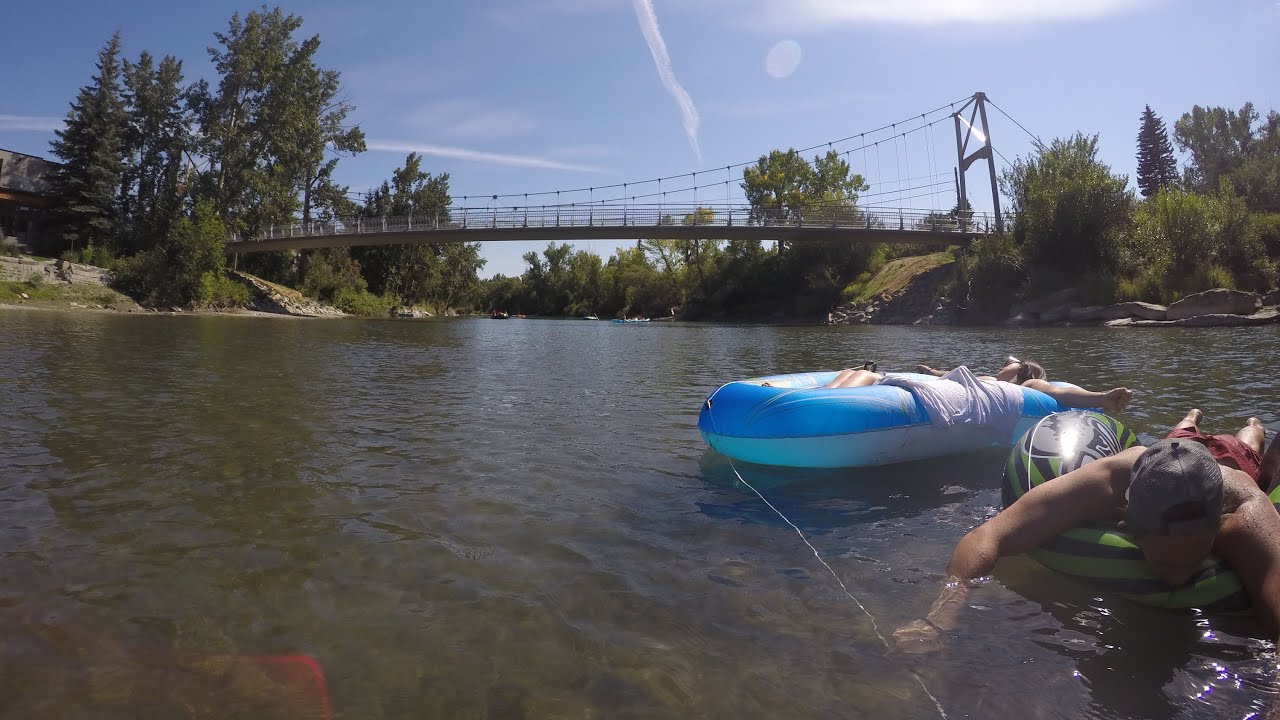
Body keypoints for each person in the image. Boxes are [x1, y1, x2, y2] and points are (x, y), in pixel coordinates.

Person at [893, 410, 1280, 657]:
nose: (1178, 580)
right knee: (1178, 437)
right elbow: (990, 535)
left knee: (1242, 448)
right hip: (1168, 459)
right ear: (1125, 521)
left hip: (1227, 471)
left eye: (1194, 561)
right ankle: (1190, 420)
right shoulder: (1104, 485)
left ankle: (1253, 427)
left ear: (1219, 527)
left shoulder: (1245, 516)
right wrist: (940, 616)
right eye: (1163, 562)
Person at [821, 356, 1133, 414]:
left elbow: (1060, 392)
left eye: (1008, 366)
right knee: (854, 371)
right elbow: (944, 374)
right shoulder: (990, 381)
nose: (1001, 368)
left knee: (869, 376)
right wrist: (929, 369)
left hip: (946, 396)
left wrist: (1100, 398)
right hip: (943, 388)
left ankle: (820, 398)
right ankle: (818, 394)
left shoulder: (1031, 384)